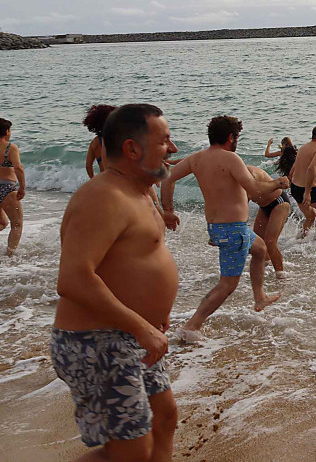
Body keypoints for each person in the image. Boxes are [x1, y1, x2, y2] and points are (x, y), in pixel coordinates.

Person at [51, 104, 179, 461]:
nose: (172, 148)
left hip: (129, 334)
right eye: (164, 141)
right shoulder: (104, 197)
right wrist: (140, 325)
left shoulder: (139, 192)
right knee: (130, 453)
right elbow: (73, 279)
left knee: (164, 420)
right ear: (132, 149)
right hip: (98, 341)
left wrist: (151, 315)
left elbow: (133, 260)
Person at [161, 115, 285, 341]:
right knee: (228, 284)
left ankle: (260, 297)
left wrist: (168, 210)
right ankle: (191, 326)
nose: (237, 141)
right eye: (237, 137)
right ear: (230, 137)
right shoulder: (231, 159)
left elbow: (167, 179)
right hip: (233, 230)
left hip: (221, 228)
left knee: (260, 249)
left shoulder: (196, 158)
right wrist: (279, 183)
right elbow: (255, 189)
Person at [247, 165, 292, 276]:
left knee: (270, 241)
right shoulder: (235, 176)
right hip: (264, 206)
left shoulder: (249, 173)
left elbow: (244, 200)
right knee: (259, 241)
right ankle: (267, 266)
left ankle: (280, 274)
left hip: (279, 202)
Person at [0, 119, 25, 256]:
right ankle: (9, 256)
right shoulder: (10, 148)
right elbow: (18, 168)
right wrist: (22, 188)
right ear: (6, 131)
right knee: (17, 224)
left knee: (2, 222)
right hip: (6, 188)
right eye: (10, 130)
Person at [84, 104, 117, 178]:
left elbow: (88, 166)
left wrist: (93, 179)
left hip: (104, 180)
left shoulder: (95, 142)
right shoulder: (117, 139)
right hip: (118, 180)